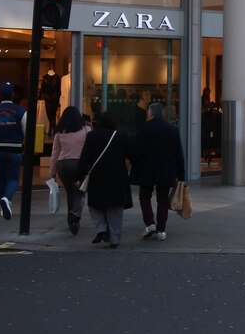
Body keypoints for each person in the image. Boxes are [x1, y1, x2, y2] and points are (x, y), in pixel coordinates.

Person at [131, 102, 187, 240]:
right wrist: (181, 175)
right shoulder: (172, 130)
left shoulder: (143, 128)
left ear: (149, 114)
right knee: (162, 200)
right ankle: (161, 229)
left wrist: (134, 169)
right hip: (166, 170)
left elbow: (136, 151)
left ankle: (150, 223)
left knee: (144, 196)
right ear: (163, 114)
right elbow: (178, 153)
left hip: (146, 169)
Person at [79, 112, 133, 248]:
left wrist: (79, 176)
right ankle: (114, 239)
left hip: (97, 176)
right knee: (115, 208)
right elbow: (133, 155)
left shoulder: (92, 136)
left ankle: (101, 229)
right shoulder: (121, 136)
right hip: (118, 177)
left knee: (95, 205)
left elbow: (84, 158)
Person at [0, 82, 26, 220]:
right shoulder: (20, 111)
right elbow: (26, 129)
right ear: (13, 94)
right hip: (14, 147)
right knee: (13, 178)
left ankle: (3, 205)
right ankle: (7, 199)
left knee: (1, 177)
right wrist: (21, 140)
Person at [51, 106, 90, 234]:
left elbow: (55, 153)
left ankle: (70, 219)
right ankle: (75, 216)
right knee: (80, 191)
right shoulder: (86, 129)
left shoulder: (59, 132)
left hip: (63, 164)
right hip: (79, 163)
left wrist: (52, 172)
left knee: (69, 192)